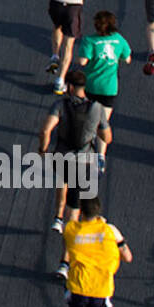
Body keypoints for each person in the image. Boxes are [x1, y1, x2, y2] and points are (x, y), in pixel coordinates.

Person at [39, 71, 110, 238]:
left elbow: (45, 130)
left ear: (70, 87)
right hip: (84, 160)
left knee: (62, 180)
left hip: (62, 155)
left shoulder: (60, 105)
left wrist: (42, 149)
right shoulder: (96, 108)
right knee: (76, 201)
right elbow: (107, 137)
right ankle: (66, 255)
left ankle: (58, 216)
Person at [74, 11, 132, 132]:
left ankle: (84, 145)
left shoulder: (89, 40)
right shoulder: (118, 39)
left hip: (91, 86)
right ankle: (101, 151)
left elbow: (82, 61)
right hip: (109, 88)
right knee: (103, 123)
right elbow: (127, 59)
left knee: (86, 120)